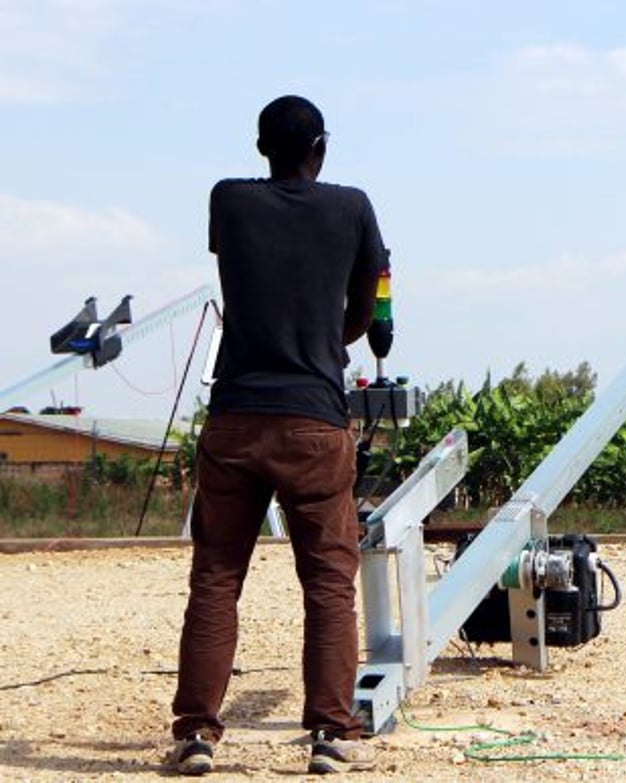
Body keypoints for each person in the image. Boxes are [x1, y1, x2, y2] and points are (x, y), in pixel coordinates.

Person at [170, 95, 386, 776]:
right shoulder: (351, 207)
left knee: (215, 577)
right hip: (314, 420)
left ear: (260, 147)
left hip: (235, 418)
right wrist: (338, 337)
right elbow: (372, 294)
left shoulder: (228, 201)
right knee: (327, 583)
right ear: (320, 148)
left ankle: (197, 733)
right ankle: (329, 732)